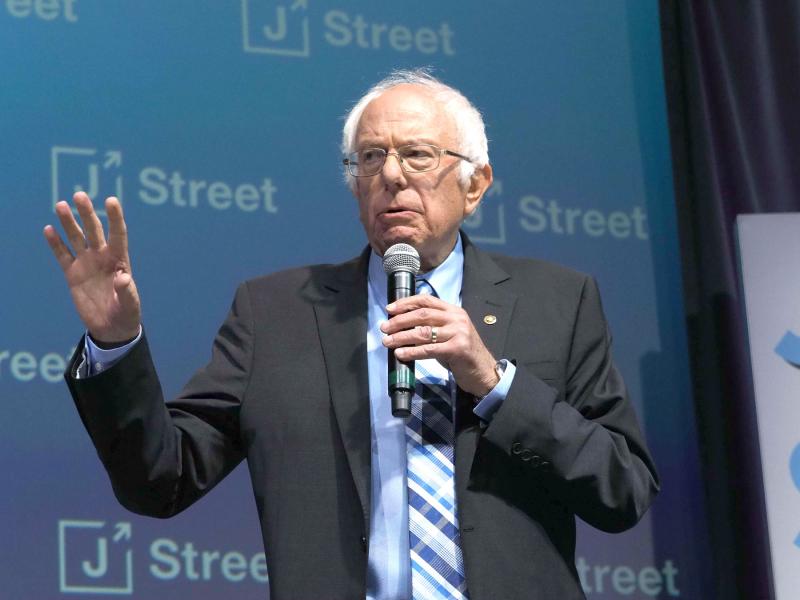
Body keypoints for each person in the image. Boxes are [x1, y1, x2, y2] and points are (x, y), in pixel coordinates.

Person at [44, 69, 659, 600]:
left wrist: (495, 384)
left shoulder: (557, 300)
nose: (391, 175)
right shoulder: (276, 313)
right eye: (370, 158)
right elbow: (161, 480)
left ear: (475, 184)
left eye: (417, 154)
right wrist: (116, 344)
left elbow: (622, 490)